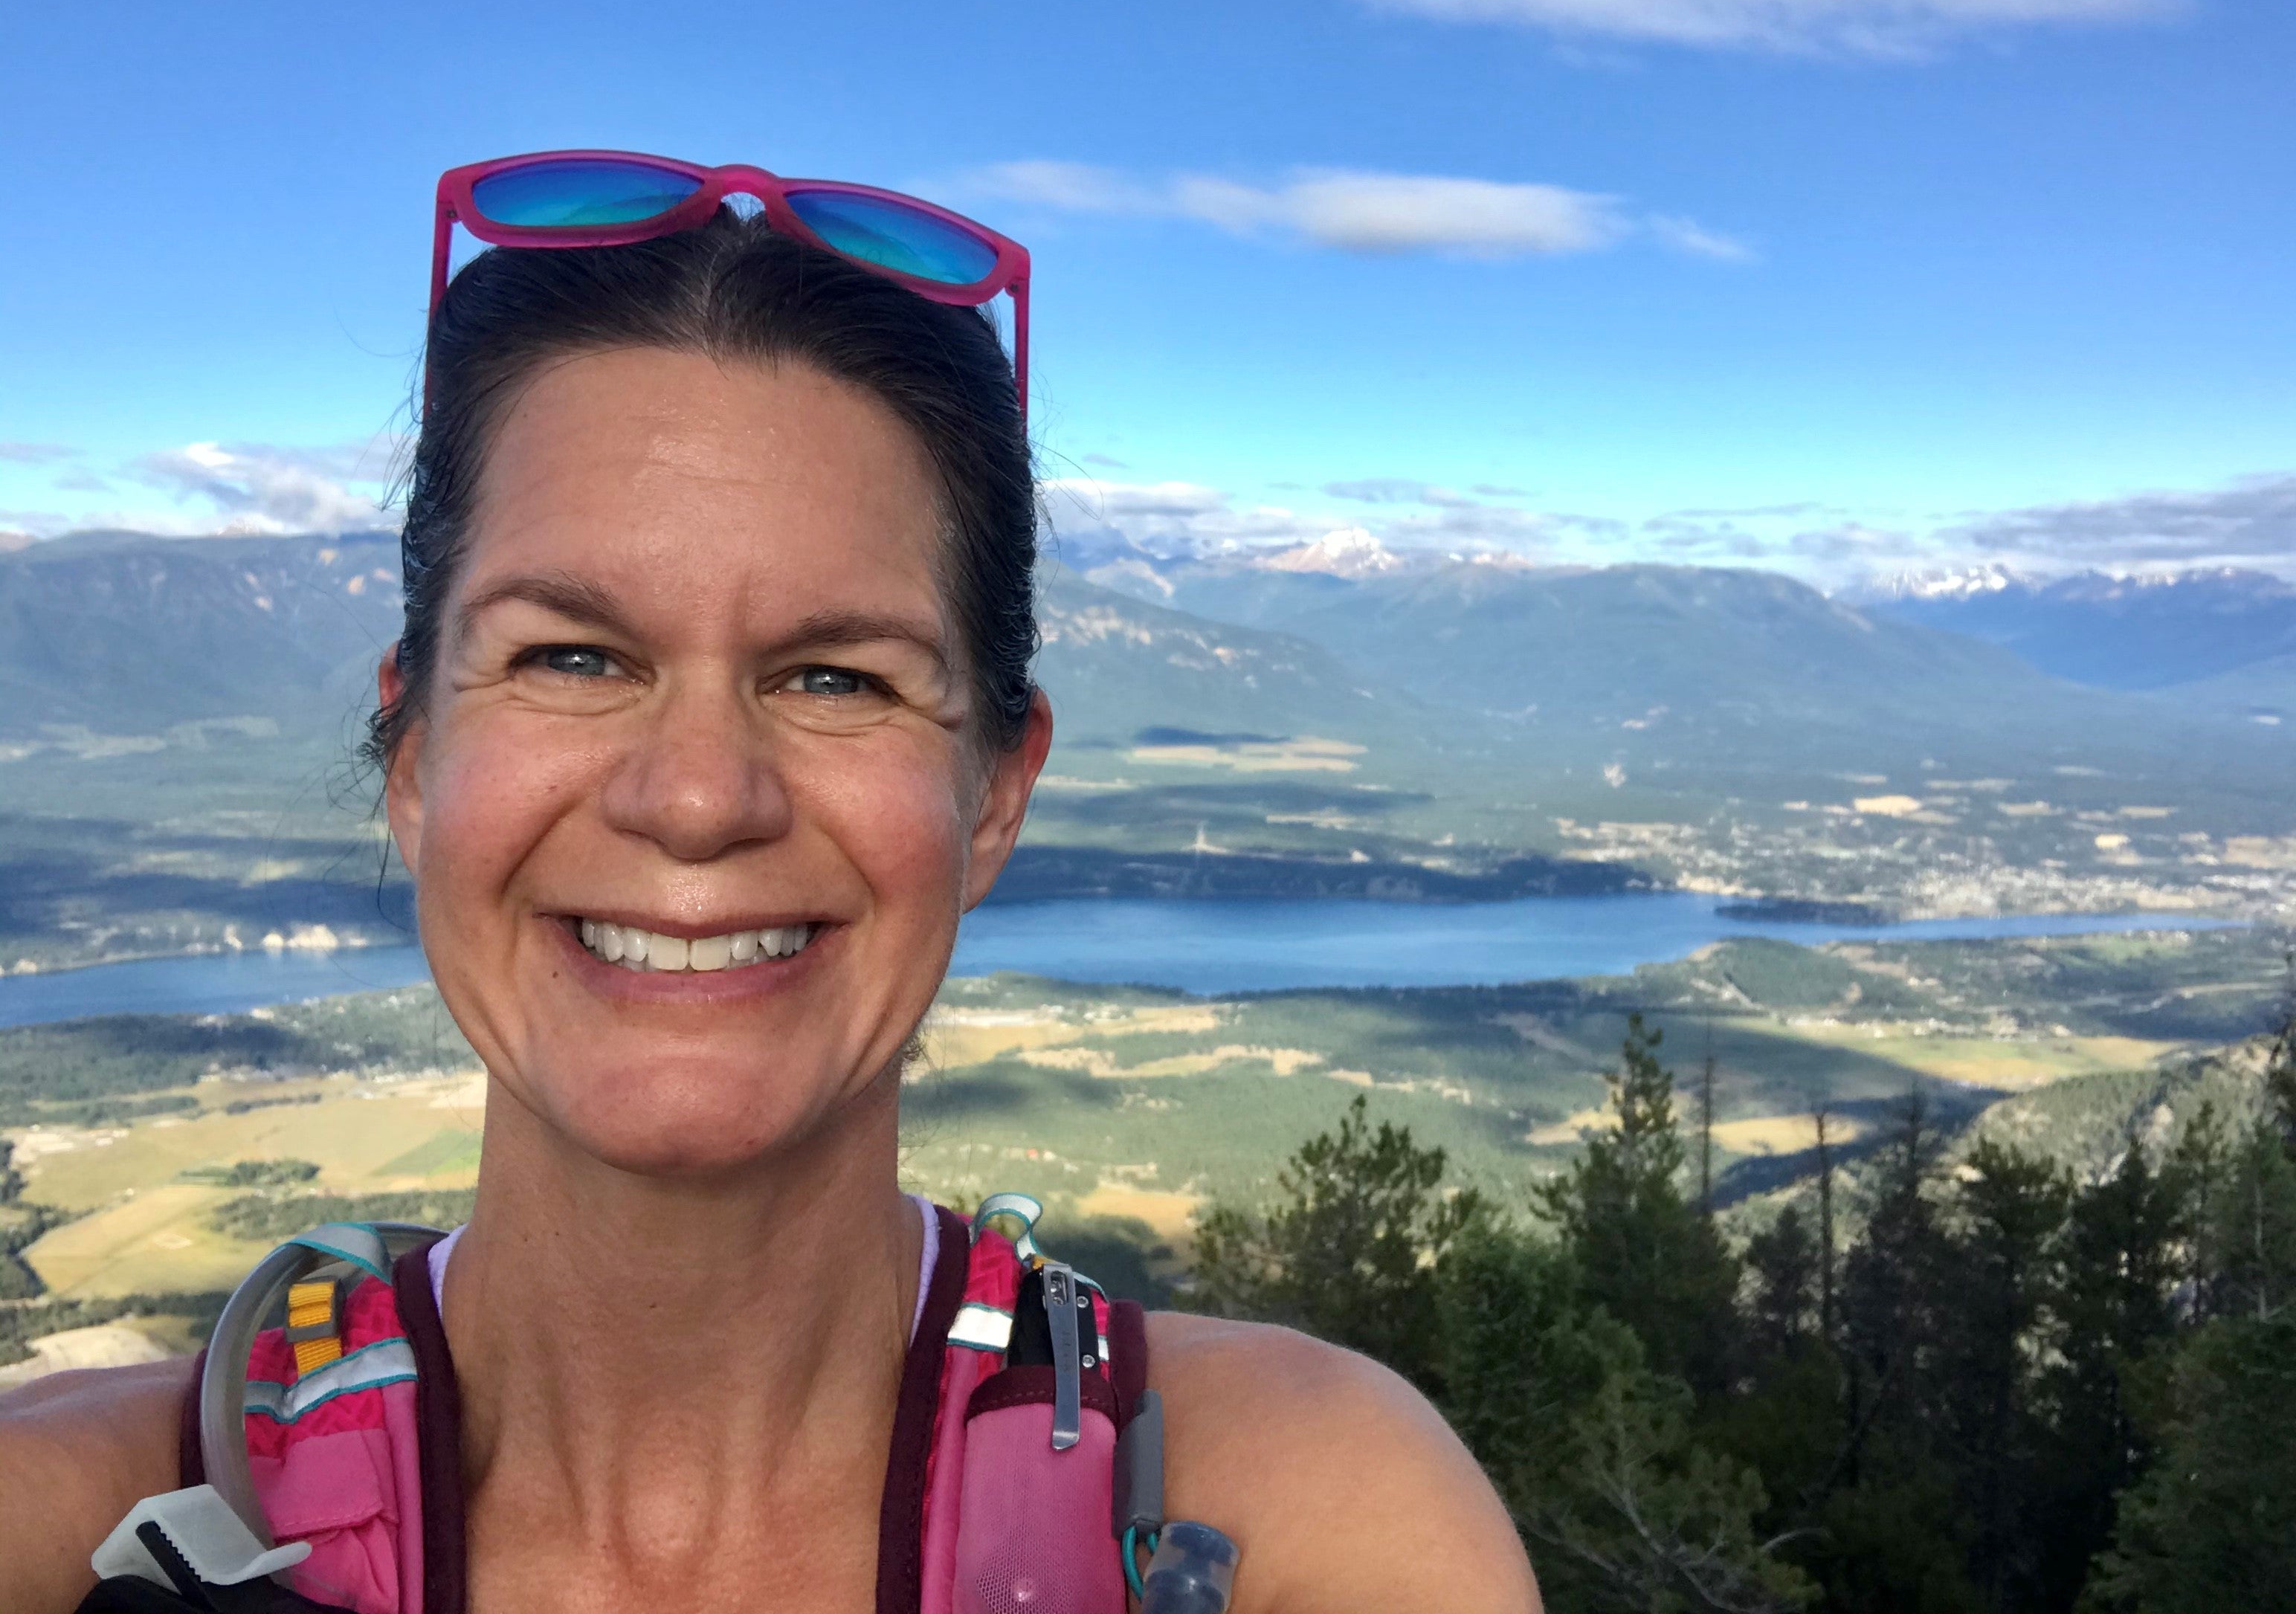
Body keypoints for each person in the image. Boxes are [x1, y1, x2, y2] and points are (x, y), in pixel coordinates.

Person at [0, 155, 1538, 1613]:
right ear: (413, 754)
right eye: (573, 655)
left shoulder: (1302, 1507)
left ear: (994, 789)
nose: (694, 794)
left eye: (832, 675)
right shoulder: (66, 1521)